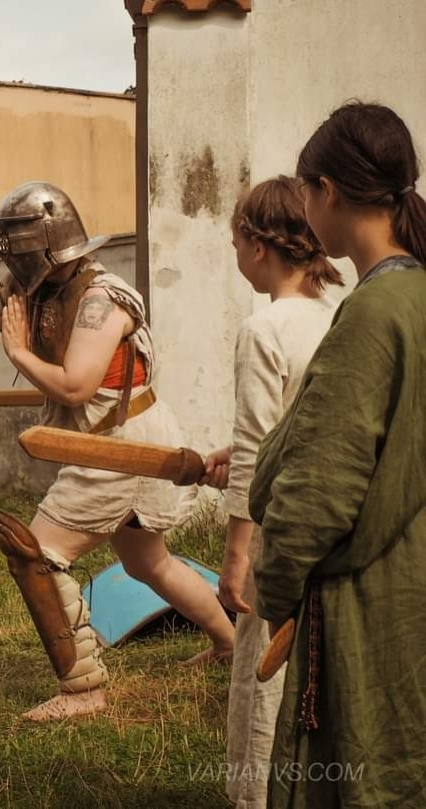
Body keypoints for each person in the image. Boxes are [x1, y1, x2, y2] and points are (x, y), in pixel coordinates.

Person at [0, 182, 235, 721]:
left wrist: (16, 350)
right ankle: (229, 643)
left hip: (121, 449)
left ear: (45, 241)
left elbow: (77, 385)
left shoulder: (100, 300)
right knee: (147, 563)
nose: (8, 254)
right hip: (106, 446)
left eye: (16, 241)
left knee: (34, 552)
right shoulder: (34, 288)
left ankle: (83, 688)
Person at [249, 102, 426, 808]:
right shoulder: (414, 295)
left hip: (370, 604)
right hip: (412, 576)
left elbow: (320, 489)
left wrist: (276, 585)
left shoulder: (376, 312)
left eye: (305, 190)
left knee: (364, 775)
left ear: (329, 192)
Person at [201, 177, 341, 808]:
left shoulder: (265, 330)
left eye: (235, 242)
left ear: (258, 246)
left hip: (279, 536)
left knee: (262, 683)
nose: (236, 256)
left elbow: (259, 448)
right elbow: (317, 423)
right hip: (338, 529)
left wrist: (237, 559)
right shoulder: (342, 317)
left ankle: (253, 798)